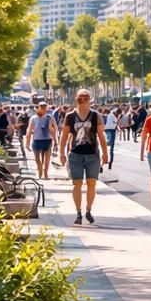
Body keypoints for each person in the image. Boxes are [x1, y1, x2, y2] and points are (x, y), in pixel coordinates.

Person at [59, 90, 108, 224]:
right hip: (75, 154)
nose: (83, 101)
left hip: (92, 154)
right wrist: (61, 153)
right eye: (80, 98)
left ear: (89, 99)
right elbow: (64, 136)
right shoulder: (70, 116)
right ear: (76, 100)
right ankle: (78, 212)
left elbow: (101, 136)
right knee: (77, 184)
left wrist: (105, 153)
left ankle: (88, 209)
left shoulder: (95, 116)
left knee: (91, 183)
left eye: (85, 98)